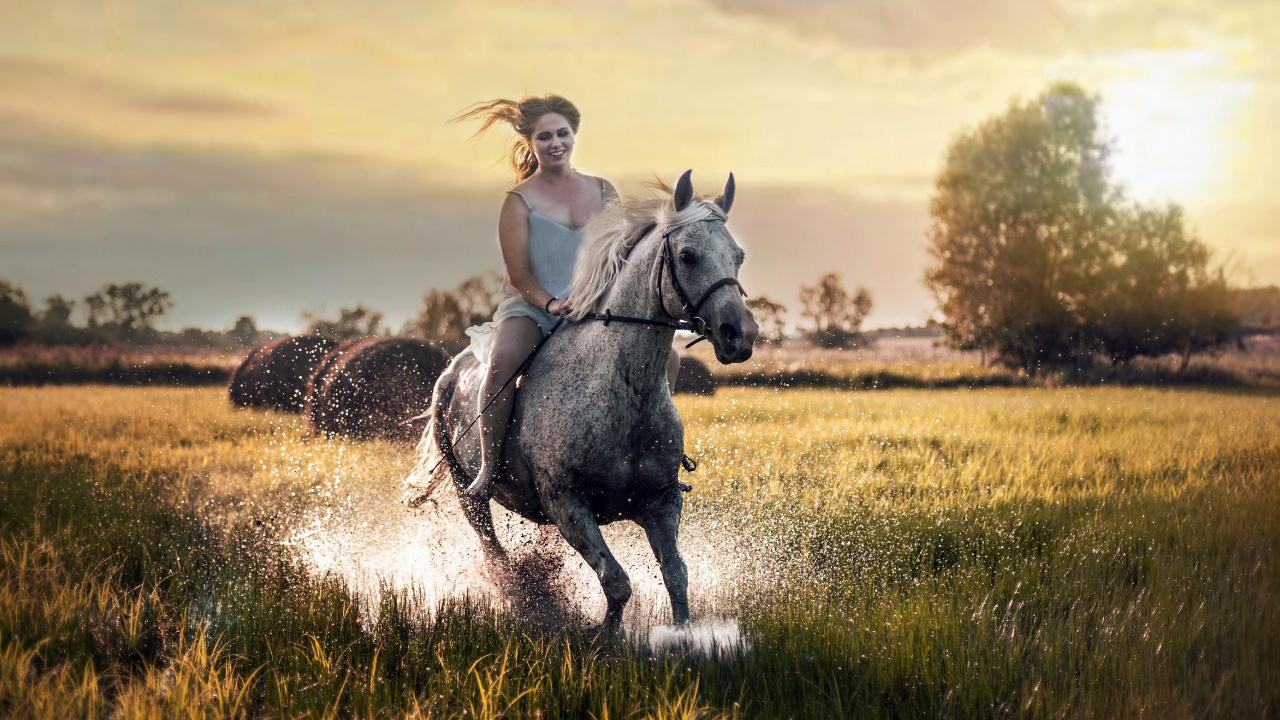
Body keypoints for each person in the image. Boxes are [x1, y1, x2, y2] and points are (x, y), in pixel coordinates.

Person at [456, 94, 681, 500]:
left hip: (595, 304)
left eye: (563, 133)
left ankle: (652, 456)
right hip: (534, 306)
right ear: (530, 143)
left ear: (574, 135)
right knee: (504, 361)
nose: (555, 142)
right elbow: (518, 275)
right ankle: (488, 468)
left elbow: (618, 254)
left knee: (671, 358)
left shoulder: (602, 190)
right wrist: (550, 304)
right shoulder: (517, 201)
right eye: (545, 137)